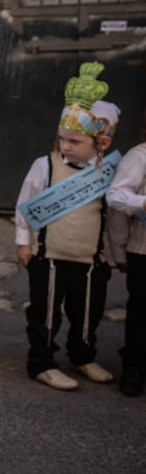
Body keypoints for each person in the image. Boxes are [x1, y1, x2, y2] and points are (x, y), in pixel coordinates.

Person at [15, 62, 125, 391]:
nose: (66, 146)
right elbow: (25, 206)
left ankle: (83, 355)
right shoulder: (44, 166)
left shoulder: (108, 173)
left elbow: (114, 216)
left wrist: (117, 253)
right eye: (63, 139)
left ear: (100, 143)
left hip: (91, 261)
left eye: (75, 141)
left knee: (87, 312)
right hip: (48, 256)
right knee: (45, 314)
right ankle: (42, 362)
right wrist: (23, 242)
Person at [107, 109, 146, 397]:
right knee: (141, 315)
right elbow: (116, 197)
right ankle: (134, 368)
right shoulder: (140, 155)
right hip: (143, 249)